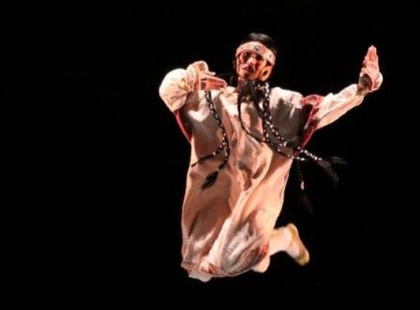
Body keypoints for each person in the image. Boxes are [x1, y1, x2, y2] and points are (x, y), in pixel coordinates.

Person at [158, 33, 382, 281]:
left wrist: (361, 88)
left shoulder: (280, 105)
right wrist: (189, 80)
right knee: (199, 272)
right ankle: (272, 247)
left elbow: (323, 110)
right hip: (214, 194)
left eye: (259, 59)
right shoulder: (212, 97)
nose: (251, 62)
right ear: (237, 58)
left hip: (255, 197)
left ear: (267, 69)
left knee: (226, 261)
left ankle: (277, 241)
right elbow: (168, 90)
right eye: (247, 55)